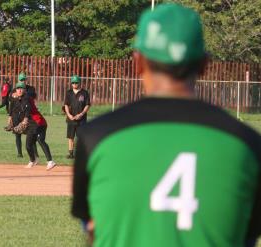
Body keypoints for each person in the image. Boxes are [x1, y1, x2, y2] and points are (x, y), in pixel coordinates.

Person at [72, 3, 261, 247]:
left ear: (138, 61)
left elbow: (91, 227)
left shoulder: (96, 135)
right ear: (204, 64)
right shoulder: (247, 143)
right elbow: (247, 235)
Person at [9, 81, 56, 170]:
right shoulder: (19, 99)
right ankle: (33, 160)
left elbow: (27, 110)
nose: (19, 90)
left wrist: (25, 119)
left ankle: (50, 161)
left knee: (40, 141)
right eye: (17, 88)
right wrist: (13, 122)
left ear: (24, 90)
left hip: (38, 123)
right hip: (33, 124)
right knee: (29, 144)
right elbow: (14, 106)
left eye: (21, 88)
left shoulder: (26, 98)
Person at [64, 75, 91, 159]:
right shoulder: (69, 93)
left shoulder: (84, 93)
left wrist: (81, 114)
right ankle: (71, 153)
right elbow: (66, 105)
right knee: (70, 137)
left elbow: (87, 105)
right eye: (73, 83)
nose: (74, 84)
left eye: (76, 82)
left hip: (81, 119)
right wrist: (69, 115)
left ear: (79, 82)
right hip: (71, 119)